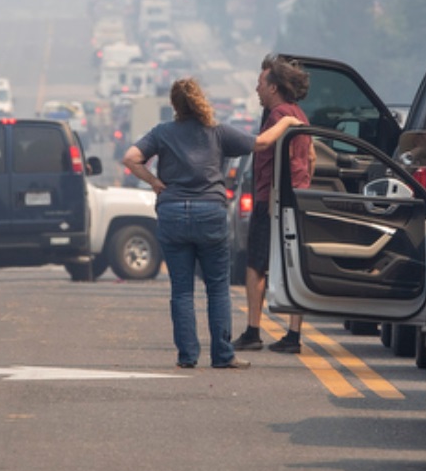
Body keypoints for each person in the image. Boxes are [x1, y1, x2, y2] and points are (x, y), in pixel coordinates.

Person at [123, 77, 302, 370]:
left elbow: (130, 158)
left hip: (173, 214)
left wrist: (156, 183)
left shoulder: (162, 133)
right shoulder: (217, 133)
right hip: (210, 213)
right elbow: (262, 143)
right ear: (200, 100)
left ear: (174, 105)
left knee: (181, 291)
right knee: (217, 288)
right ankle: (222, 355)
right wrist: (288, 122)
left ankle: (187, 356)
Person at [233, 55, 315, 355]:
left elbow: (264, 145)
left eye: (260, 84)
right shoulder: (300, 114)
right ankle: (293, 335)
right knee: (295, 265)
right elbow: (313, 157)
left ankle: (253, 331)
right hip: (299, 199)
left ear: (274, 87)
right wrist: (304, 185)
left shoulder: (280, 115)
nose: (256, 89)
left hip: (271, 202)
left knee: (256, 266)